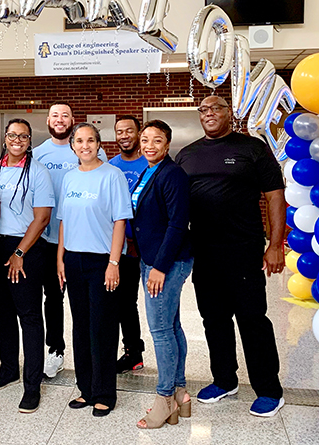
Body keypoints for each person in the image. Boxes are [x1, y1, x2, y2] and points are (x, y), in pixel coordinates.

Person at [175, 95, 287, 418]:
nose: (209, 114)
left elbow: (275, 197)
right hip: (204, 253)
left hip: (243, 250)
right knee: (214, 319)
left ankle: (269, 388)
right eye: (203, 110)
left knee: (252, 320)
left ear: (229, 114)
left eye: (216, 109)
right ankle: (225, 379)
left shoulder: (252, 149)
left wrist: (275, 243)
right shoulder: (187, 155)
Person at [56, 122, 132, 417]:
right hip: (73, 260)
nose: (84, 145)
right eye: (79, 141)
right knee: (81, 327)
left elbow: (120, 221)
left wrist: (114, 263)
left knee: (102, 327)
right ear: (72, 145)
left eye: (90, 140)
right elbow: (63, 220)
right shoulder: (69, 178)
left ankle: (104, 393)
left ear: (99, 144)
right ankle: (86, 389)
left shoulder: (112, 176)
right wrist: (60, 258)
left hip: (103, 261)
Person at [0, 119, 55, 414]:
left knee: (29, 315)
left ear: (29, 141)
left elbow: (42, 218)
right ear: (4, 138)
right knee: (3, 311)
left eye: (23, 136)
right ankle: (9, 368)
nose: (17, 140)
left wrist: (19, 252)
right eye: (12, 135)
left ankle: (32, 384)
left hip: (25, 248)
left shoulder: (39, 173)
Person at [33, 102, 106, 378]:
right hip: (49, 240)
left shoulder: (92, 153)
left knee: (89, 305)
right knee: (52, 298)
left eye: (65, 115)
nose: (60, 120)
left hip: (85, 244)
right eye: (55, 115)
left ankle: (94, 358)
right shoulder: (37, 153)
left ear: (73, 120)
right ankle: (56, 351)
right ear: (48, 120)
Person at [130, 120, 194, 430]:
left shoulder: (172, 174)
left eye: (157, 140)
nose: (149, 145)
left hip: (165, 263)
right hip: (153, 259)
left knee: (159, 330)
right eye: (145, 139)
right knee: (171, 325)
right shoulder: (150, 171)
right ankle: (180, 392)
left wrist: (159, 266)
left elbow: (177, 224)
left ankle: (164, 398)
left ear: (167, 145)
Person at [107, 115, 147, 374]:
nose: (124, 136)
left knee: (161, 309)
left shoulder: (152, 161)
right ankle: (133, 353)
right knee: (124, 302)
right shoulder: (110, 166)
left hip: (152, 245)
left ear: (138, 133)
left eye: (129, 131)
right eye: (119, 131)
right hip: (124, 248)